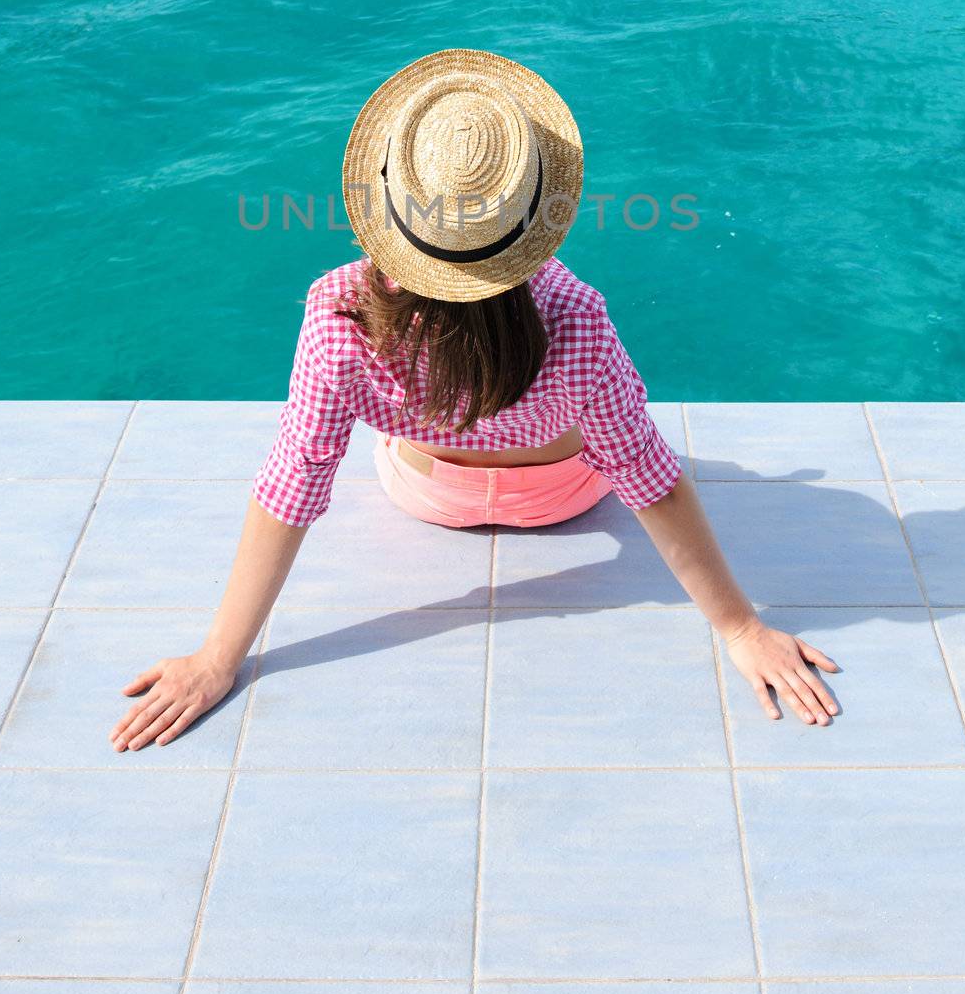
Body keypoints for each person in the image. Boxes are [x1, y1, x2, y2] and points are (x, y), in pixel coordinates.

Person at [111, 50, 839, 752]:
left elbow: (292, 486)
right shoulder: (577, 315)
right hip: (564, 496)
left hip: (429, 496)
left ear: (392, 209)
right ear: (530, 217)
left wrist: (216, 659)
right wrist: (740, 628)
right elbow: (649, 479)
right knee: (611, 430)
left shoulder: (339, 315)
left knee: (381, 431)